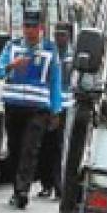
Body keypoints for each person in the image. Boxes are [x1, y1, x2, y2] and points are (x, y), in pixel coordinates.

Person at [0, 9, 63, 209]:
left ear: (41, 29)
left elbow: (55, 81)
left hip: (38, 110)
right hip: (14, 107)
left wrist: (56, 110)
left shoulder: (50, 50)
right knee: (14, 150)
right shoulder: (12, 46)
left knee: (29, 150)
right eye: (26, 27)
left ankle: (22, 191)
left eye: (34, 27)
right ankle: (17, 187)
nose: (30, 31)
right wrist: (11, 66)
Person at [37, 23, 75, 200]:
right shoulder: (48, 53)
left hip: (65, 107)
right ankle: (46, 184)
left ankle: (59, 187)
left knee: (59, 148)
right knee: (45, 146)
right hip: (46, 105)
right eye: (57, 34)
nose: (59, 38)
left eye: (63, 35)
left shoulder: (72, 58)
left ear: (69, 36)